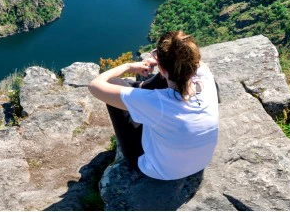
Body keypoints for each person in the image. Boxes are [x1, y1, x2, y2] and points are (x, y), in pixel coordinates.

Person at [88, 30, 219, 181]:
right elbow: (183, 62)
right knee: (174, 78)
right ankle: (141, 85)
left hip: (160, 171)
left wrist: (128, 66)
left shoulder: (156, 103)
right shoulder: (206, 77)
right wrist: (162, 61)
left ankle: (138, 86)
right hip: (200, 163)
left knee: (114, 84)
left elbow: (95, 86)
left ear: (161, 68)